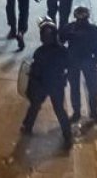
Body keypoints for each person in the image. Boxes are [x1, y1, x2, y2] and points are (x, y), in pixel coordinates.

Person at [21, 19, 72, 148]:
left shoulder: (40, 52)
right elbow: (69, 66)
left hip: (42, 84)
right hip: (56, 85)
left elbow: (35, 71)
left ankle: (28, 126)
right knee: (59, 110)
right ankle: (67, 136)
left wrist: (30, 87)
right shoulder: (62, 51)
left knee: (35, 106)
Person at [60, 6, 97, 124]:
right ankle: (81, 112)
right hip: (77, 61)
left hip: (84, 61)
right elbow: (60, 42)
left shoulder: (71, 28)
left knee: (90, 88)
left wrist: (94, 61)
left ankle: (89, 112)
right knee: (79, 88)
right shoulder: (91, 30)